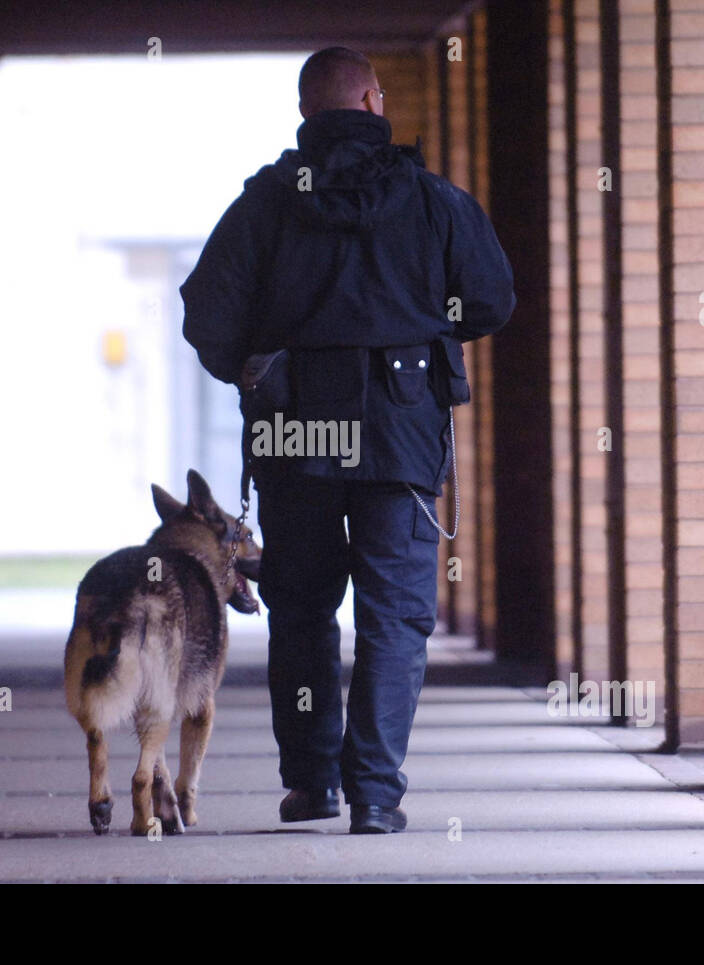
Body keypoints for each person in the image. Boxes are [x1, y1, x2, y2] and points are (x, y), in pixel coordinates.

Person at [180, 46, 514, 834]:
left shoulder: (265, 203)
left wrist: (256, 372)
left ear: (306, 113)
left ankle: (312, 784)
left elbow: (206, 315)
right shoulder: (433, 202)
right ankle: (375, 794)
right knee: (394, 615)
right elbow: (493, 299)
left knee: (300, 608)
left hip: (296, 433)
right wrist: (432, 331)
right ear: (372, 100)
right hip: (400, 434)